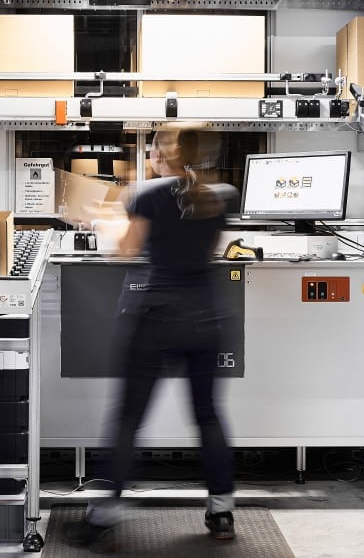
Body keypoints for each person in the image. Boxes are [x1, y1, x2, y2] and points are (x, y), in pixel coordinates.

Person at [66, 124, 238, 549]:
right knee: (208, 415)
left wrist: (104, 223)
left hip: (155, 318)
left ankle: (103, 517)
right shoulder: (219, 197)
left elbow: (124, 252)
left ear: (162, 154)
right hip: (206, 320)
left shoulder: (146, 195)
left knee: (129, 418)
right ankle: (221, 513)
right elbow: (210, 250)